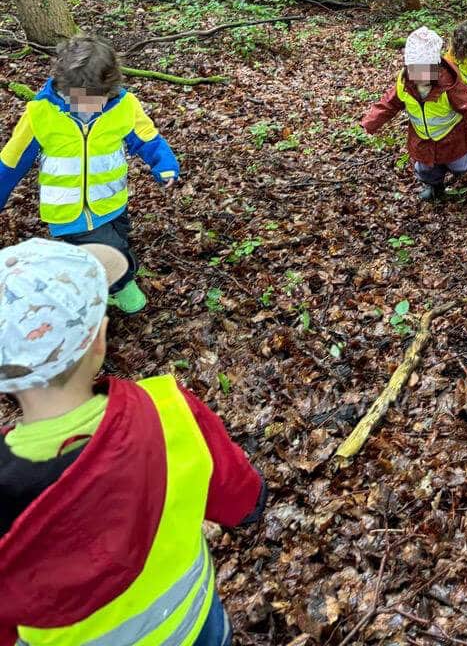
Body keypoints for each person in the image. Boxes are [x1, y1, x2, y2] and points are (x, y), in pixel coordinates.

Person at [0, 236, 266, 646]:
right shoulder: (169, 409)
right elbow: (239, 494)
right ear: (100, 340)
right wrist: (250, 506)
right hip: (195, 626)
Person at [0, 34, 179, 315]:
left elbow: (147, 138)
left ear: (109, 89)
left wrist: (164, 164)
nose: (87, 107)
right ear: (63, 86)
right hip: (67, 210)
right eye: (79, 100)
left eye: (95, 100)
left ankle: (92, 284)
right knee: (111, 251)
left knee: (117, 239)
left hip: (112, 200)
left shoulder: (124, 106)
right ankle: (124, 289)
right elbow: (12, 160)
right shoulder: (40, 113)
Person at [362, 26, 467, 200]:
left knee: (461, 165)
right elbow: (388, 103)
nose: (420, 76)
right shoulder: (405, 83)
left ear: (435, 67)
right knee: (426, 170)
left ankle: (457, 173)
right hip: (422, 139)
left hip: (452, 139)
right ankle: (436, 189)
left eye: (425, 70)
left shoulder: (450, 86)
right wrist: (369, 122)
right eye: (415, 69)